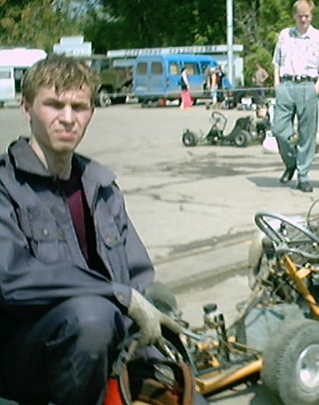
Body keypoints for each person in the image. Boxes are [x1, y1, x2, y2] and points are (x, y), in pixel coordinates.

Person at [0, 55, 186, 405]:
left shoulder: (102, 187)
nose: (68, 118)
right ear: (26, 108)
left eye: (79, 107)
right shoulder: (5, 185)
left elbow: (138, 278)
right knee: (92, 315)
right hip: (26, 356)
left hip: (108, 344)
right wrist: (117, 294)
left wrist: (154, 331)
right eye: (54, 105)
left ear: (91, 113)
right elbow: (11, 278)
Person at [272, 0, 319, 193]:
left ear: (311, 16)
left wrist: (316, 88)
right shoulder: (285, 35)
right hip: (287, 84)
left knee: (307, 133)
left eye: (307, 16)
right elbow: (277, 61)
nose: (303, 20)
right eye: (300, 17)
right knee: (279, 129)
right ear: (294, 16)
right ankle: (291, 162)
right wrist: (277, 84)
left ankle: (303, 174)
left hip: (308, 84)